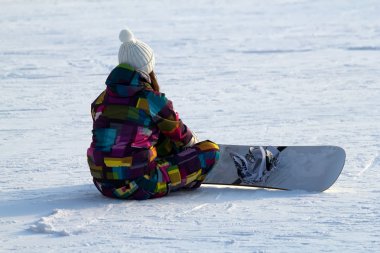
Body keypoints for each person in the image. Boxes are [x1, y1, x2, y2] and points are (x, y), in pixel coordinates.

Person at [87, 28, 220, 200]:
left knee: (150, 135)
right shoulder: (150, 99)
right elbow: (182, 136)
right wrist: (196, 150)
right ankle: (190, 175)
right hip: (141, 183)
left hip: (103, 184)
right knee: (211, 150)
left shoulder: (101, 100)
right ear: (147, 66)